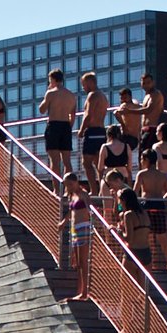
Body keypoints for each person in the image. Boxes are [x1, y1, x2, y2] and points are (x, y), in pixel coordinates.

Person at [134, 151, 167, 272]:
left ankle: (146, 264)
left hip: (146, 205)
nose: (141, 161)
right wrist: (163, 199)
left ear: (146, 160)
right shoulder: (162, 175)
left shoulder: (142, 174)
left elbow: (135, 191)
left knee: (145, 237)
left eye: (142, 159)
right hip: (159, 205)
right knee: (163, 237)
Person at [57, 173, 92, 302]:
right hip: (75, 229)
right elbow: (71, 213)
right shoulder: (72, 196)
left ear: (76, 182)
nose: (69, 187)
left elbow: (90, 209)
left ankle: (85, 292)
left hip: (84, 227)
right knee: (78, 263)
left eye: (70, 184)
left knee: (83, 261)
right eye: (67, 185)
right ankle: (80, 291)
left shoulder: (83, 194)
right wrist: (63, 223)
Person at [39, 69, 77, 181]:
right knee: (67, 161)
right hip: (66, 126)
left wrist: (48, 92)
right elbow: (73, 114)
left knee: (54, 161)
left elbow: (42, 109)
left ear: (53, 79)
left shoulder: (51, 93)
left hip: (54, 125)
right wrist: (69, 127)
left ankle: (56, 189)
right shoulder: (71, 95)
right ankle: (68, 188)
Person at [77, 73, 110, 191]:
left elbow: (88, 115)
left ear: (90, 82)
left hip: (92, 131)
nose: (83, 88)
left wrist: (81, 130)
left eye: (84, 84)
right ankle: (102, 190)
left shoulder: (92, 95)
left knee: (86, 163)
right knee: (98, 163)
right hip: (101, 131)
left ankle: (94, 190)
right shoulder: (103, 96)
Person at [131, 73, 166, 156]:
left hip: (152, 129)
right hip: (144, 129)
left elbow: (148, 110)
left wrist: (129, 111)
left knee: (148, 156)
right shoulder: (147, 96)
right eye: (144, 83)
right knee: (142, 155)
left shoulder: (156, 94)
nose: (146, 85)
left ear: (153, 82)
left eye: (148, 82)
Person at [96, 124, 134, 196]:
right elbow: (129, 169)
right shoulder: (127, 146)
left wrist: (100, 185)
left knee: (107, 206)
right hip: (122, 179)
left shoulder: (105, 147)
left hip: (108, 179)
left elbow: (100, 169)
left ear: (108, 135)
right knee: (122, 205)